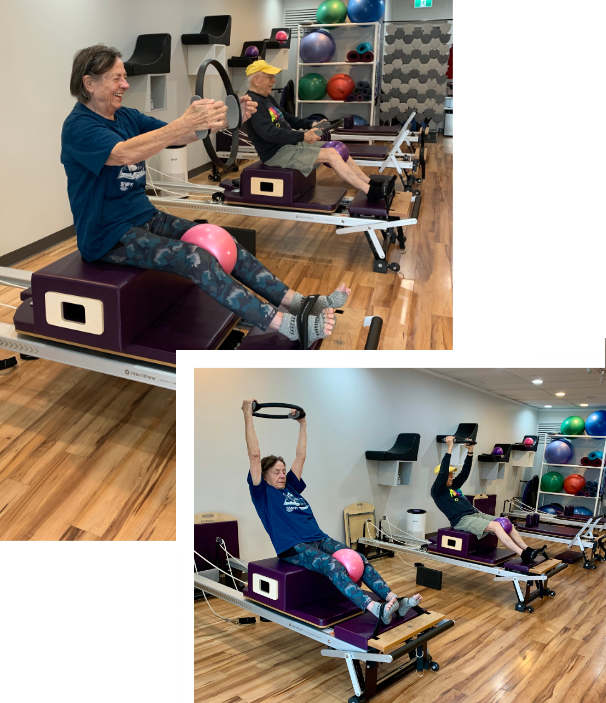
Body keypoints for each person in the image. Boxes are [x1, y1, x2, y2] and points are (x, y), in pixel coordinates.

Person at [60, 45, 353, 347]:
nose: (125, 84)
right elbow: (123, 154)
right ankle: (286, 324)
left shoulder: (127, 117)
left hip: (144, 217)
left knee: (220, 236)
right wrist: (183, 124)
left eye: (124, 77)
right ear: (89, 83)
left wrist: (227, 117)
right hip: (107, 236)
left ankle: (298, 303)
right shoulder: (79, 127)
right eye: (116, 78)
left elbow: (179, 137)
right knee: (195, 258)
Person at [242, 399, 422, 624]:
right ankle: (374, 608)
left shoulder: (290, 485)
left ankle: (393, 599)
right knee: (333, 565)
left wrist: (303, 423)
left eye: (283, 471)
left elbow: (301, 456)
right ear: (265, 474)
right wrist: (248, 414)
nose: (281, 475)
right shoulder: (262, 492)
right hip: (293, 547)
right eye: (276, 471)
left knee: (359, 557)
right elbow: (254, 455)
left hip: (319, 538)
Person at [243, 60, 394, 203]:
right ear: (257, 80)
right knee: (330, 154)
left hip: (288, 146)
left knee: (336, 147)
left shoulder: (267, 98)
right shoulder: (251, 103)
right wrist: (302, 136)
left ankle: (370, 182)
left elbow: (287, 118)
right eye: (270, 77)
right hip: (276, 154)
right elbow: (269, 133)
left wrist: (312, 123)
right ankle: (370, 192)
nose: (274, 81)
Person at [431, 436, 546, 564]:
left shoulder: (454, 486)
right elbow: (443, 473)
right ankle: (522, 554)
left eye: (452, 474)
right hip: (461, 520)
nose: (452, 476)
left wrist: (470, 451)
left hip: (475, 514)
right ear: (441, 476)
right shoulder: (438, 491)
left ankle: (528, 549)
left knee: (505, 521)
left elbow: (465, 472)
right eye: (449, 474)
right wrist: (450, 447)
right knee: (496, 526)